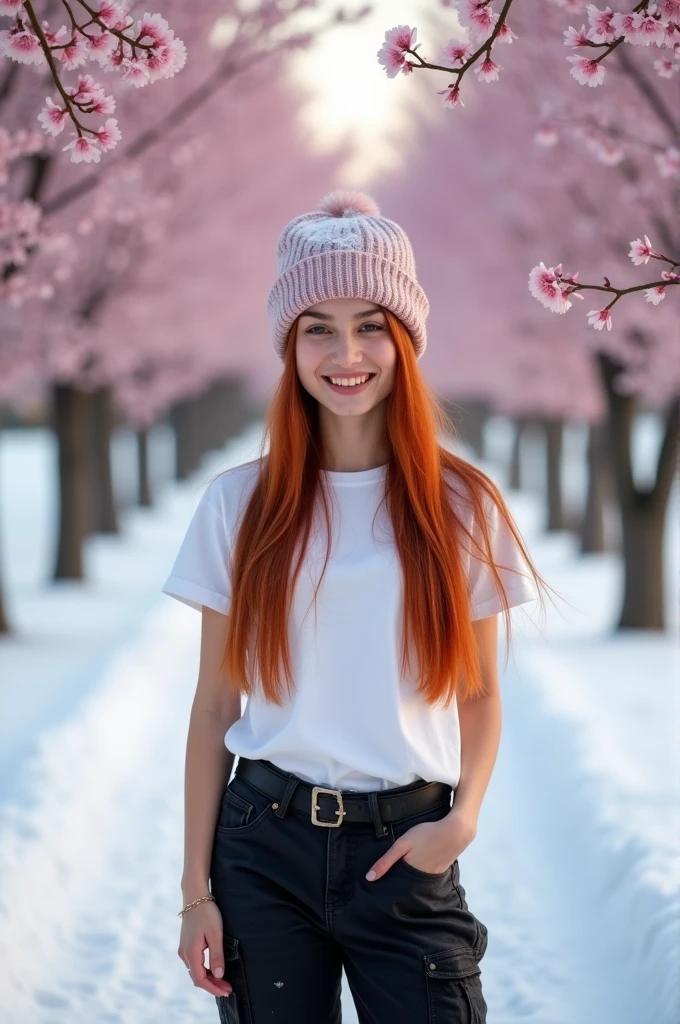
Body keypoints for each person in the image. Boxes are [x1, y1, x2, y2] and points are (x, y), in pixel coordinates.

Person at [162, 189, 550, 1023]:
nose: (348, 352)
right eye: (319, 328)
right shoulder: (241, 505)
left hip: (405, 850)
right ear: (290, 346)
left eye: (371, 324)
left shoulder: (461, 505)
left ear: (405, 342)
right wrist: (196, 892)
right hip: (263, 845)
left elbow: (479, 694)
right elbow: (215, 707)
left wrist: (463, 820)